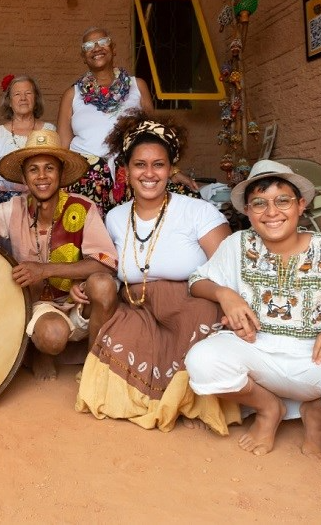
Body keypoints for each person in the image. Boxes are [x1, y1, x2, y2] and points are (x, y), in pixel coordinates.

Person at [185, 160, 321, 461]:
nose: (271, 212)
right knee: (202, 361)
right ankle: (268, 408)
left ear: (301, 205)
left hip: (317, 357)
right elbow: (197, 281)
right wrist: (225, 293)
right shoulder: (238, 244)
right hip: (254, 349)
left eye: (282, 200)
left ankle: (317, 416)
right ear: (248, 212)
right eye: (259, 203)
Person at [75, 115, 237, 433]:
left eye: (158, 165)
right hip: (137, 307)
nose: (149, 174)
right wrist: (82, 286)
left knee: (202, 344)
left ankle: (190, 396)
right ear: (126, 170)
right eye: (140, 165)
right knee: (110, 390)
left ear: (170, 168)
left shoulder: (198, 212)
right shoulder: (116, 218)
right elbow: (108, 270)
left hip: (192, 306)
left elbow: (227, 268)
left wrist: (231, 302)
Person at [0, 130, 119, 380]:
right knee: (52, 337)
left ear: (61, 173)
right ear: (24, 177)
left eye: (49, 168)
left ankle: (94, 365)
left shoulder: (83, 208)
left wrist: (45, 270)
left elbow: (106, 264)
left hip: (79, 303)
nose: (42, 176)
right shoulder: (14, 209)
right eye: (33, 169)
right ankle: (40, 350)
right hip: (41, 307)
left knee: (104, 285)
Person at [56, 27, 198, 218]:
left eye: (102, 42)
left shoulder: (137, 85)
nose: (96, 48)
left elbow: (155, 134)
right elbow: (63, 148)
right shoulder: (72, 94)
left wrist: (172, 171)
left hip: (133, 170)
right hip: (87, 176)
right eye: (89, 45)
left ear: (113, 48)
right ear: (83, 56)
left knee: (189, 200)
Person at [0, 74, 56, 205]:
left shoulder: (49, 130)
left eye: (28, 93)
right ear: (9, 101)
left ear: (36, 98)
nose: (23, 98)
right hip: (5, 205)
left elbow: (56, 170)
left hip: (42, 200)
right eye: (17, 94)